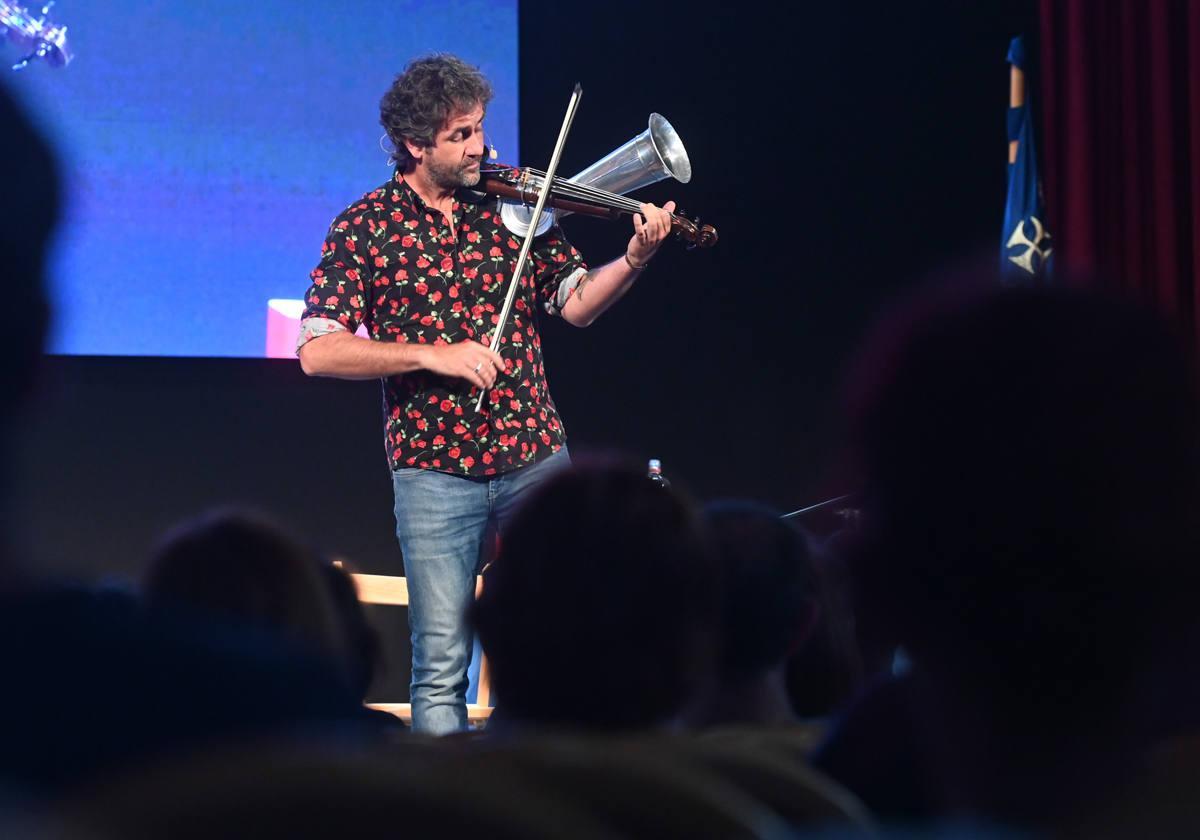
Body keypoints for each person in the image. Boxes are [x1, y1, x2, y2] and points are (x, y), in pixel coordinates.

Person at [297, 54, 678, 734]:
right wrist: (430, 354)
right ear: (417, 145)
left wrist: (635, 258)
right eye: (463, 135)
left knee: (561, 645)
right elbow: (318, 350)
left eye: (480, 129)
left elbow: (577, 303)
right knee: (440, 663)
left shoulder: (508, 210)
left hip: (533, 452)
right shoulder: (366, 227)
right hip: (433, 470)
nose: (483, 147)